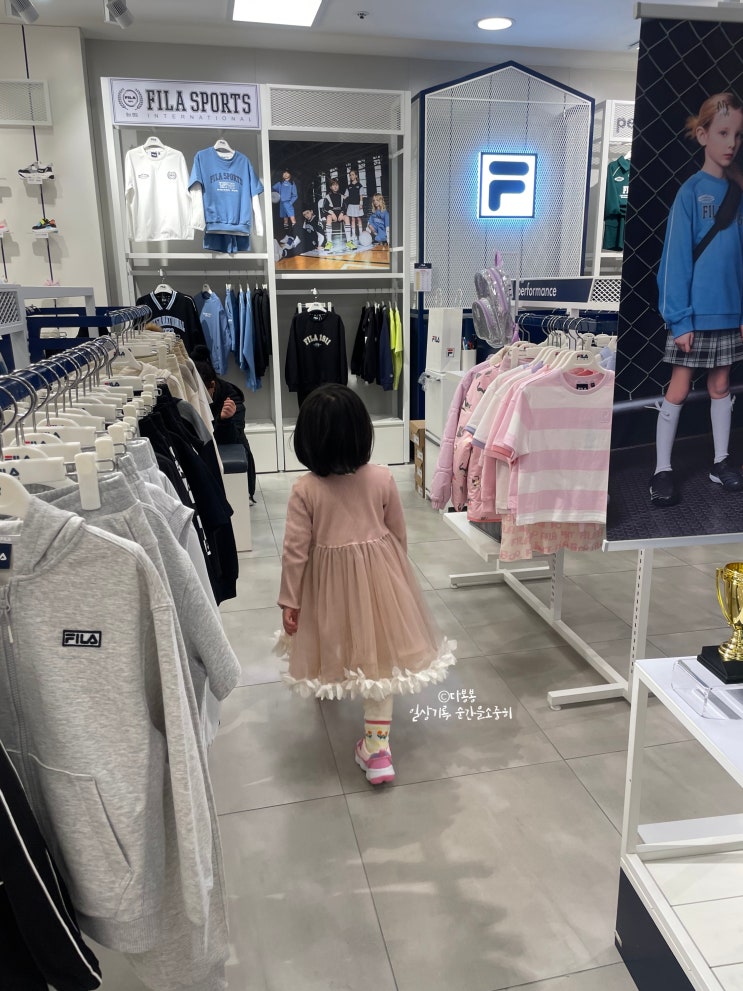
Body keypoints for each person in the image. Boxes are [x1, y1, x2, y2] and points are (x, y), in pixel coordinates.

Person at [276, 385, 456, 785]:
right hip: (380, 582)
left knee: (333, 632)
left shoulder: (305, 489)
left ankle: (330, 681)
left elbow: (295, 552)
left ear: (306, 440)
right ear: (363, 433)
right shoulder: (382, 478)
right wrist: (398, 577)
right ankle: (377, 751)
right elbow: (398, 534)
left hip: (326, 585)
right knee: (377, 660)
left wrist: (291, 599)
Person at [652, 91, 743, 507]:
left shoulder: (737, 193)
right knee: (679, 388)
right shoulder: (690, 192)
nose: (731, 143)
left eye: (737, 135)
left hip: (729, 313)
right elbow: (674, 260)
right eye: (723, 133)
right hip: (692, 315)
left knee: (721, 385)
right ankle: (662, 469)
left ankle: (720, 463)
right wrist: (680, 318)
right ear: (703, 135)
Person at [194, 351, 257, 504]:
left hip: (229, 441)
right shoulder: (192, 394)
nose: (200, 398)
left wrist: (224, 420)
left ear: (213, 385)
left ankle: (244, 491)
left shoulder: (231, 398)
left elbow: (233, 437)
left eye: (203, 393)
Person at [321, 178, 353, 251]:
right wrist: (332, 213)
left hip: (340, 215)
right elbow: (325, 208)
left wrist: (342, 213)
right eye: (333, 185)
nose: (335, 186)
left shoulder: (341, 196)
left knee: (346, 217)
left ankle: (349, 241)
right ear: (330, 187)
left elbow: (345, 207)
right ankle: (329, 242)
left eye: (336, 185)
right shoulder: (327, 197)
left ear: (338, 186)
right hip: (332, 215)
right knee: (329, 217)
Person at [272, 169, 298, 235]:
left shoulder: (292, 184)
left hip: (288, 203)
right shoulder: (280, 183)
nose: (285, 174)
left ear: (290, 175)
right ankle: (287, 234)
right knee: (285, 220)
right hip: (281, 203)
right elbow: (272, 189)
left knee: (292, 219)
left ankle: (296, 235)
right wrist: (275, 196)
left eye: (287, 173)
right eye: (284, 173)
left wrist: (290, 203)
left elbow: (295, 195)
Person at [343, 169, 365, 243]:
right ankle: (353, 235)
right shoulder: (348, 187)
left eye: (352, 175)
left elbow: (361, 196)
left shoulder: (360, 185)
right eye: (350, 175)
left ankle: (361, 234)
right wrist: (339, 196)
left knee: (359, 219)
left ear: (356, 176)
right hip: (351, 205)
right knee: (352, 219)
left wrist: (361, 204)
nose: (351, 176)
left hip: (358, 205)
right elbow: (345, 196)